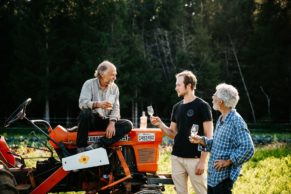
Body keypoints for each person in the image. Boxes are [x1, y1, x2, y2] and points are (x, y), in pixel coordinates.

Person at [150, 70, 213, 194]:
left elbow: (209, 136)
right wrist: (161, 125)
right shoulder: (177, 107)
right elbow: (173, 133)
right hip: (176, 157)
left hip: (195, 159)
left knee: (202, 192)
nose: (176, 88)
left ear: (189, 86)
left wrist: (202, 161)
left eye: (178, 85)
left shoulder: (203, 106)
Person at [189, 83, 255, 194]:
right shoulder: (221, 118)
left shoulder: (236, 120)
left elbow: (248, 148)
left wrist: (228, 161)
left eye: (215, 95)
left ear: (221, 101)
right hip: (213, 178)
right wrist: (202, 140)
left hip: (223, 179)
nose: (212, 97)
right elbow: (217, 144)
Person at [76, 60, 133, 152]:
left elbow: (116, 108)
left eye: (115, 75)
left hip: (105, 120)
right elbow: (82, 103)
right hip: (91, 121)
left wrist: (112, 123)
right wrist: (97, 104)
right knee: (85, 112)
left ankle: (98, 144)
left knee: (128, 124)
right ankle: (81, 148)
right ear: (102, 74)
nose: (115, 77)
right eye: (112, 74)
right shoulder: (89, 84)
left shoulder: (114, 88)